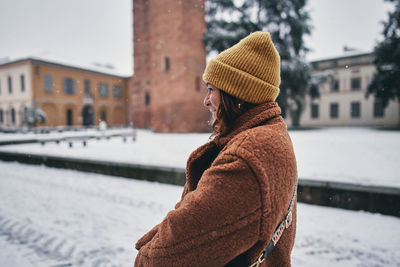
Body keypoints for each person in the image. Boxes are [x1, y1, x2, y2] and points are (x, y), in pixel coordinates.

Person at [134, 31, 297, 267]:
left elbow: (171, 252)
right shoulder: (271, 134)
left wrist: (145, 256)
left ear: (237, 94)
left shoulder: (246, 159)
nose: (206, 100)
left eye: (211, 89)